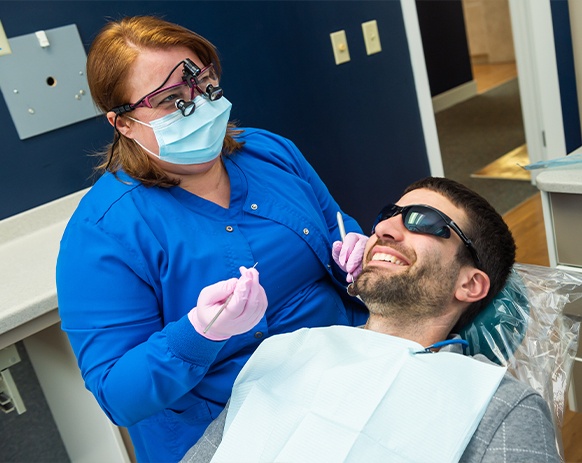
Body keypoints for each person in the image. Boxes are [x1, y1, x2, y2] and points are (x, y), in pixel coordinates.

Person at [55, 15, 368, 463]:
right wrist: (198, 334)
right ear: (123, 124)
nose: (197, 106)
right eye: (169, 100)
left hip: (346, 370)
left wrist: (359, 255)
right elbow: (117, 395)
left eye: (203, 85)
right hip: (229, 429)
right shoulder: (103, 234)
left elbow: (338, 224)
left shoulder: (269, 152)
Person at [182, 176, 561, 463]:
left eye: (424, 222)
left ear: (470, 284)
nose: (382, 229)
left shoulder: (499, 406)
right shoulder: (284, 354)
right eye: (388, 217)